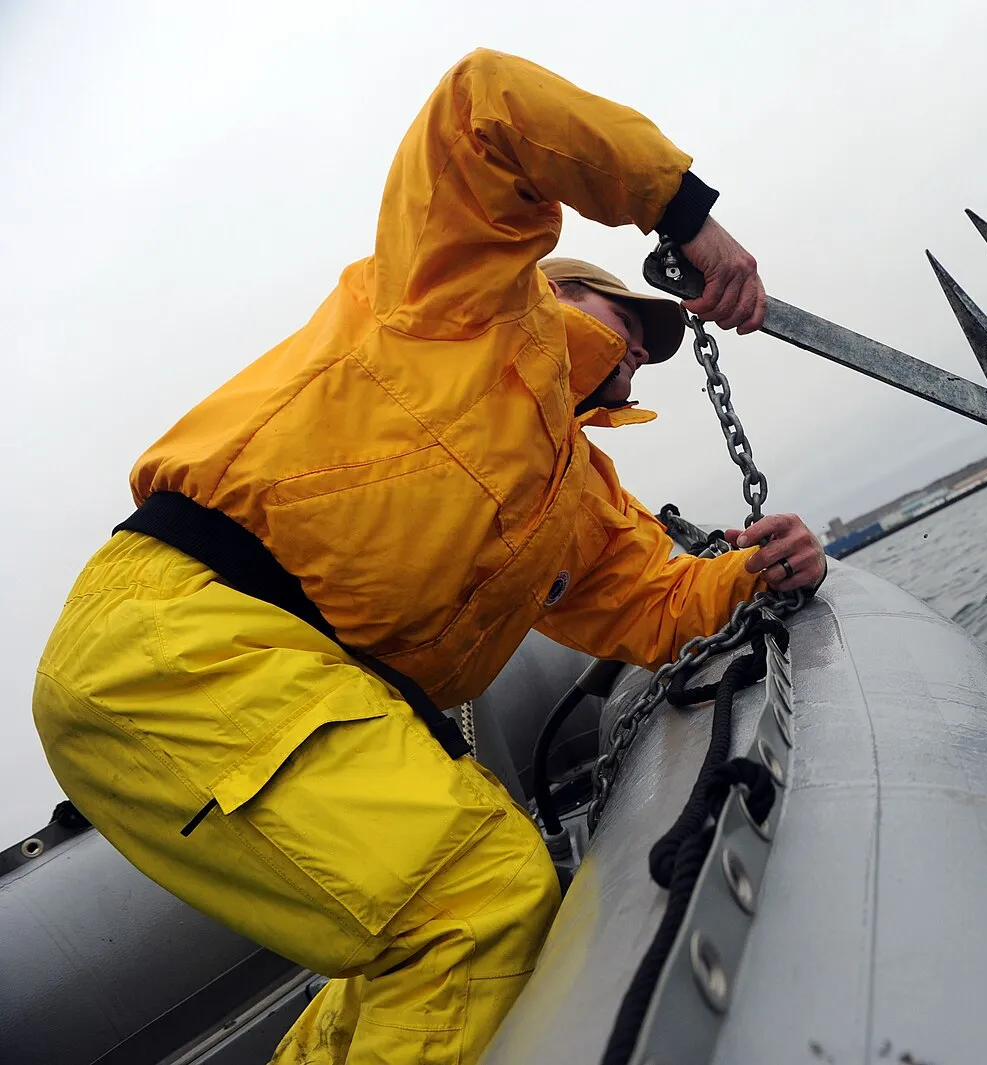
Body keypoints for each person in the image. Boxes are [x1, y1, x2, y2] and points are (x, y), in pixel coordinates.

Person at [31, 49, 822, 1065]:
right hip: (182, 638)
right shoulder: (456, 298)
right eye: (626, 316)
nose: (640, 345)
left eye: (654, 342)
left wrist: (764, 567)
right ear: (546, 284)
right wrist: (684, 216)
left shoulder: (576, 496)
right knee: (478, 899)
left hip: (294, 684)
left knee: (419, 938)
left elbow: (659, 606)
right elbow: (486, 100)